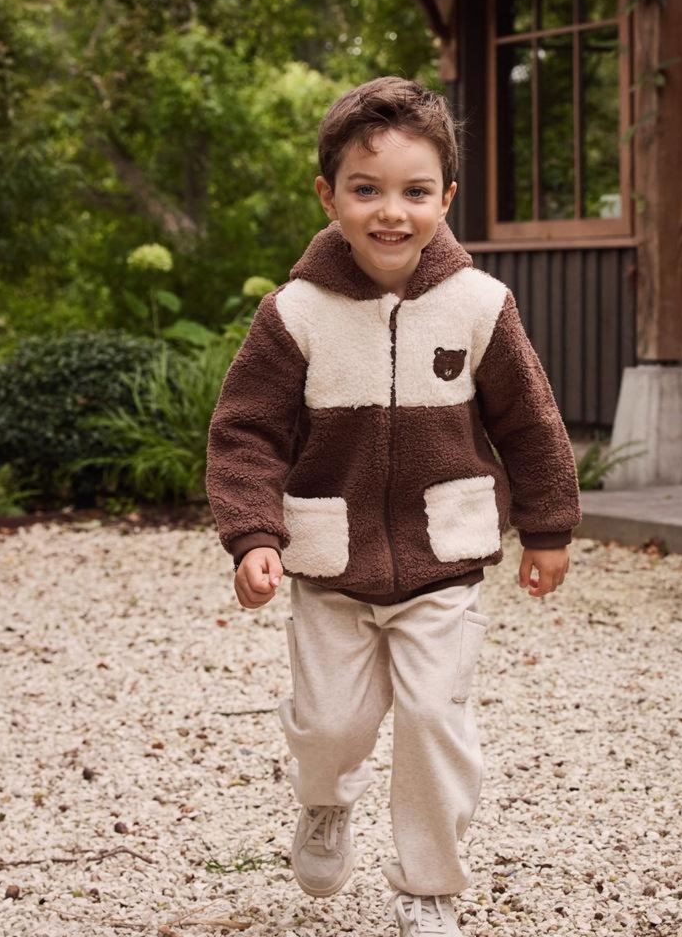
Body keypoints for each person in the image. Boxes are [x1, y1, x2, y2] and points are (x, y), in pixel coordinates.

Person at [206, 76, 581, 937]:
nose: (391, 213)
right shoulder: (293, 314)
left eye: (415, 192)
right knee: (331, 724)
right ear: (328, 195)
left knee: (431, 721)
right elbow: (245, 433)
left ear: (446, 198)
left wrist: (549, 526)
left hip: (442, 564)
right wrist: (252, 535)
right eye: (366, 190)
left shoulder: (481, 305)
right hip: (330, 568)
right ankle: (324, 803)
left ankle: (427, 888)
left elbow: (530, 420)